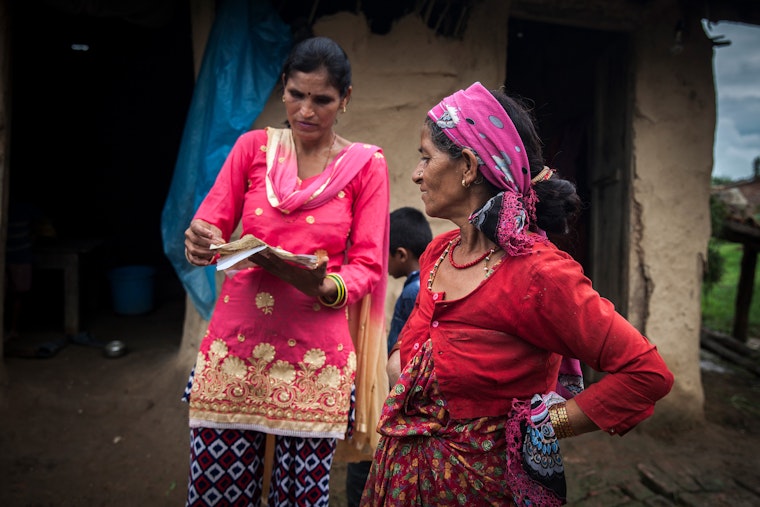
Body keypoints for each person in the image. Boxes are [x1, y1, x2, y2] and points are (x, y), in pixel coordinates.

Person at [360, 82, 675, 506]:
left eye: (425, 157)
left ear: (468, 166)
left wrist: (545, 425)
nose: (417, 173)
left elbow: (647, 374)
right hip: (402, 476)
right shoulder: (437, 253)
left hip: (478, 487)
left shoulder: (539, 275)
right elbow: (421, 343)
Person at [182, 36, 390, 507]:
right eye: (297, 94)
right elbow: (211, 222)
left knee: (300, 498)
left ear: (346, 99)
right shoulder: (252, 149)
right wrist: (200, 239)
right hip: (236, 344)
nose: (307, 110)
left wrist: (325, 284)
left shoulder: (365, 166)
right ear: (283, 88)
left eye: (323, 99)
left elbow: (369, 266)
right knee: (217, 493)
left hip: (316, 357)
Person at [345, 206, 432, 507]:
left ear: (400, 255)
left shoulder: (412, 293)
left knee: (361, 475)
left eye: (384, 256)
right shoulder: (429, 282)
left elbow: (402, 351)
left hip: (397, 399)